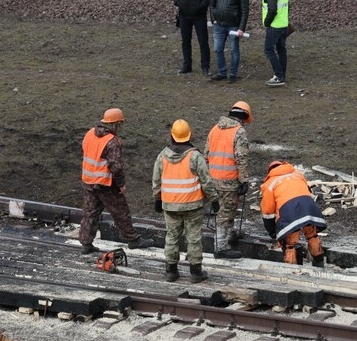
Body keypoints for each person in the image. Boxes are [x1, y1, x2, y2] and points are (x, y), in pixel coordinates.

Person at [80, 108, 155, 255]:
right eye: (120, 124)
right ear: (115, 124)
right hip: (105, 183)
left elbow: (85, 151)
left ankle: (86, 243)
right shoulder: (112, 142)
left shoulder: (89, 133)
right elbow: (117, 167)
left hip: (89, 181)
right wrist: (120, 184)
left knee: (90, 212)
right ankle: (133, 240)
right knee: (121, 212)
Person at [152, 119, 218, 283]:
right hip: (192, 205)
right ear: (189, 135)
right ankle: (195, 273)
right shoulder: (195, 156)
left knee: (172, 237)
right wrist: (214, 198)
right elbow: (206, 180)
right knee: (194, 238)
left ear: (172, 135)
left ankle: (171, 271)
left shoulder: (162, 156)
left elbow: (156, 181)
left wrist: (157, 199)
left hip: (170, 205)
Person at [205, 101, 252, 259]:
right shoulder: (239, 132)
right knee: (225, 213)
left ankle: (230, 234)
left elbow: (206, 155)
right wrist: (244, 180)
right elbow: (241, 158)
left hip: (213, 179)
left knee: (225, 210)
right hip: (229, 181)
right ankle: (221, 247)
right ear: (244, 117)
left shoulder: (215, 129)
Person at [260, 160, 326, 267]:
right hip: (308, 206)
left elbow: (268, 212)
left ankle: (292, 269)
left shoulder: (269, 184)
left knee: (289, 243)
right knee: (311, 234)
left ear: (270, 171)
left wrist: (272, 230)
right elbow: (307, 191)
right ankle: (319, 261)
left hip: (289, 211)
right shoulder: (298, 174)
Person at [171, 0, 214, 77]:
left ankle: (205, 67)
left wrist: (201, 6)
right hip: (184, 14)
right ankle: (187, 65)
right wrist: (177, 2)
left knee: (203, 42)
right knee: (185, 41)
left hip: (199, 15)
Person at [209, 0, 250, 83]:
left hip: (233, 26)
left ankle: (233, 73)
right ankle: (221, 72)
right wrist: (213, 19)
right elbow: (212, 4)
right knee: (218, 49)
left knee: (234, 50)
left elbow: (244, 11)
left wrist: (241, 28)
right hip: (219, 25)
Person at [261, 0, 290, 86]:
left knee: (268, 50)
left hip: (274, 26)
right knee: (281, 50)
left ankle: (278, 76)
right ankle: (282, 73)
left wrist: (267, 22)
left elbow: (272, 9)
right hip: (284, 24)